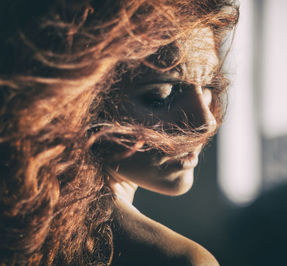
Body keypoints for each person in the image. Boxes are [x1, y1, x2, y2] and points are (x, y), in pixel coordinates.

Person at [0, 0, 238, 265]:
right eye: (162, 95)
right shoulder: (179, 260)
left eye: (208, 86)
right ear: (76, 102)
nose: (205, 121)